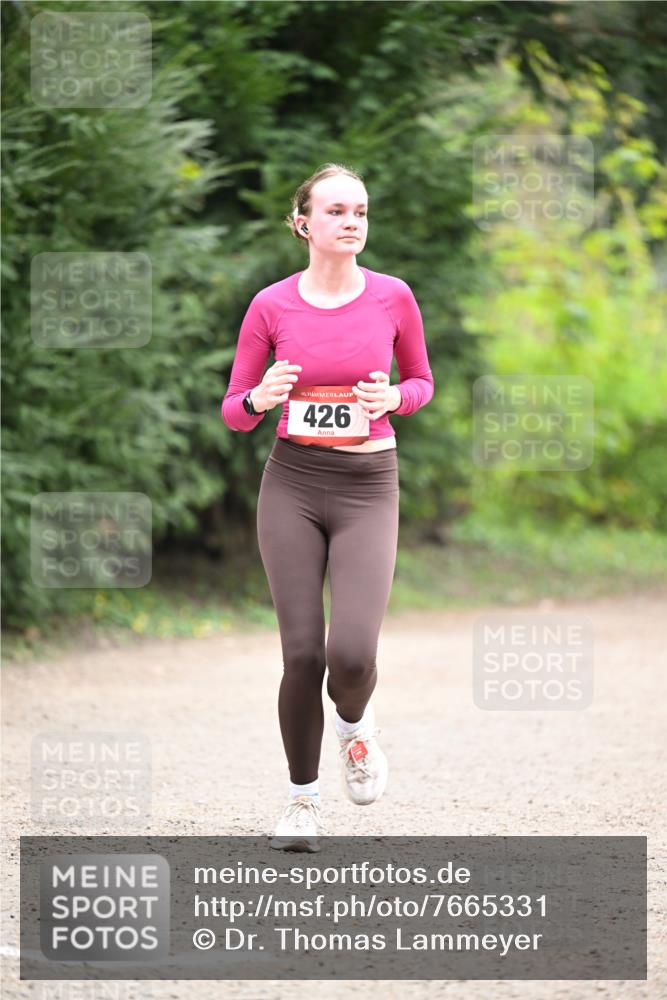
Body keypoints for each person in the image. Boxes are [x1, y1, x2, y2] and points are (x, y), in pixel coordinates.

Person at [221, 163, 434, 851]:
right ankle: (301, 802)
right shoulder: (271, 305)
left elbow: (422, 381)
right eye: (336, 211)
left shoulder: (393, 297)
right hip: (292, 483)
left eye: (360, 211)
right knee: (303, 654)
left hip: (368, 487)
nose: (351, 222)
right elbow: (234, 411)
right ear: (302, 223)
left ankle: (355, 726)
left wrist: (394, 398)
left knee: (351, 653)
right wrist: (260, 397)